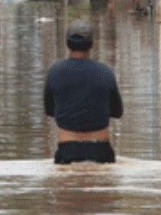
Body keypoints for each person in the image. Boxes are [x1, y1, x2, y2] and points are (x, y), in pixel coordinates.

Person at [43, 20, 123, 164]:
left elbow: (49, 111)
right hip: (100, 148)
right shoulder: (106, 72)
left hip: (67, 148)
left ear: (67, 44)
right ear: (92, 44)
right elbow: (117, 112)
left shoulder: (54, 72)